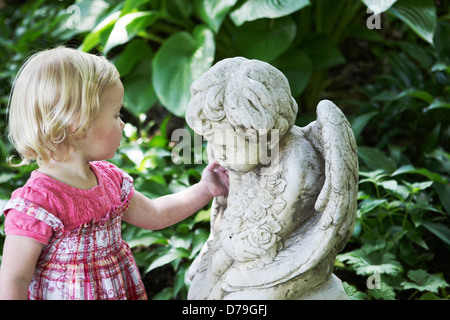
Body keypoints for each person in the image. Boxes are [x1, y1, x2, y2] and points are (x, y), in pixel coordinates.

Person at [0, 47, 229, 300]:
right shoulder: (38, 203)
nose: (123, 124)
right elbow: (15, 278)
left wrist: (206, 188)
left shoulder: (109, 180)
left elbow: (155, 214)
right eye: (116, 114)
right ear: (78, 123)